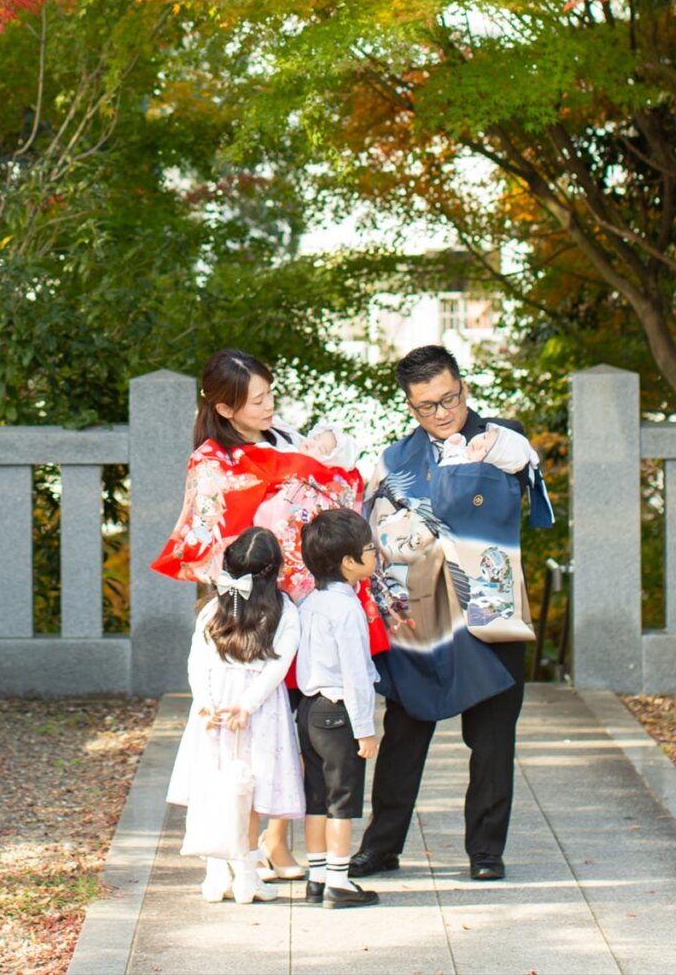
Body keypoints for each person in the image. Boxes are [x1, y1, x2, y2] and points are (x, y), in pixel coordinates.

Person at [149, 349, 375, 882]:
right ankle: (250, 846)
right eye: (258, 399)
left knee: (301, 727)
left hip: (310, 600)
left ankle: (277, 840)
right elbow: (204, 541)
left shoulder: (286, 439)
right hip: (260, 610)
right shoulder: (211, 463)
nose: (270, 405)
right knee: (261, 727)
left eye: (271, 392)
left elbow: (334, 485)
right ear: (225, 410)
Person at [351, 345, 553, 884]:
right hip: (419, 609)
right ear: (409, 406)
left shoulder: (502, 440)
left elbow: (526, 473)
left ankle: (486, 850)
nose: (442, 413)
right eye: (426, 406)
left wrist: (487, 456)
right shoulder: (394, 461)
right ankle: (382, 845)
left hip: (491, 607)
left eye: (450, 399)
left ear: (463, 386)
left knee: (492, 738)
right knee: (405, 730)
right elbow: (374, 534)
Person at [165, 527, 302, 904]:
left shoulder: (213, 607)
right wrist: (246, 705)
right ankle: (244, 876)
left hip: (216, 709)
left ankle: (219, 876)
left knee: (217, 786)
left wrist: (206, 703)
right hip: (255, 710)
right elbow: (279, 664)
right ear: (275, 571)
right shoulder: (284, 609)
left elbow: (197, 660)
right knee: (249, 790)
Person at [293, 506, 383, 909]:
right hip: (338, 711)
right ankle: (339, 882)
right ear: (349, 561)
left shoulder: (311, 602)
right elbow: (355, 673)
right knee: (341, 801)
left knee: (315, 796)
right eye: (369, 548)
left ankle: (316, 877)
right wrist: (365, 728)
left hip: (308, 710)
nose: (375, 553)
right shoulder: (347, 608)